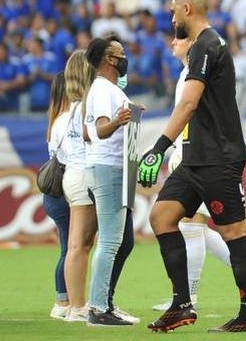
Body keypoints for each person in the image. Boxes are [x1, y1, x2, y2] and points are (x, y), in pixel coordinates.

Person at [138, 0, 246, 333]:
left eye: (174, 12)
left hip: (217, 157)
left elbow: (189, 104)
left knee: (234, 231)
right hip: (195, 157)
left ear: (188, 9)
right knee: (162, 217)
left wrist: (158, 147)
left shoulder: (207, 45)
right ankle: (181, 304)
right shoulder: (201, 48)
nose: (172, 18)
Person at [152, 35, 246, 312]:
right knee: (192, 225)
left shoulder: (197, 72)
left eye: (179, 39)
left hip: (200, 157)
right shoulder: (186, 73)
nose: (172, 42)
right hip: (192, 153)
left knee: (193, 226)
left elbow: (191, 112)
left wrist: (169, 149)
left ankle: (188, 298)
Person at [82, 34, 138, 327]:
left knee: (124, 241)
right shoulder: (103, 89)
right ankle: (98, 308)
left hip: (119, 167)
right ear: (107, 59)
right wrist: (120, 120)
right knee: (110, 241)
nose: (124, 57)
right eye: (119, 53)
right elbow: (103, 129)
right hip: (109, 168)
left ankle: (107, 302)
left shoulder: (111, 89)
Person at [60, 51, 97, 322]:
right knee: (80, 245)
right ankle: (79, 305)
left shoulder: (69, 109)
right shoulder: (88, 106)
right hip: (86, 174)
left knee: (77, 245)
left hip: (72, 174)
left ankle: (75, 305)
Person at [43, 71, 73, 320]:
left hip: (55, 193)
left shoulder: (55, 119)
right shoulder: (67, 120)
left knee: (68, 247)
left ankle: (64, 299)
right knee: (71, 248)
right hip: (65, 191)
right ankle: (62, 300)